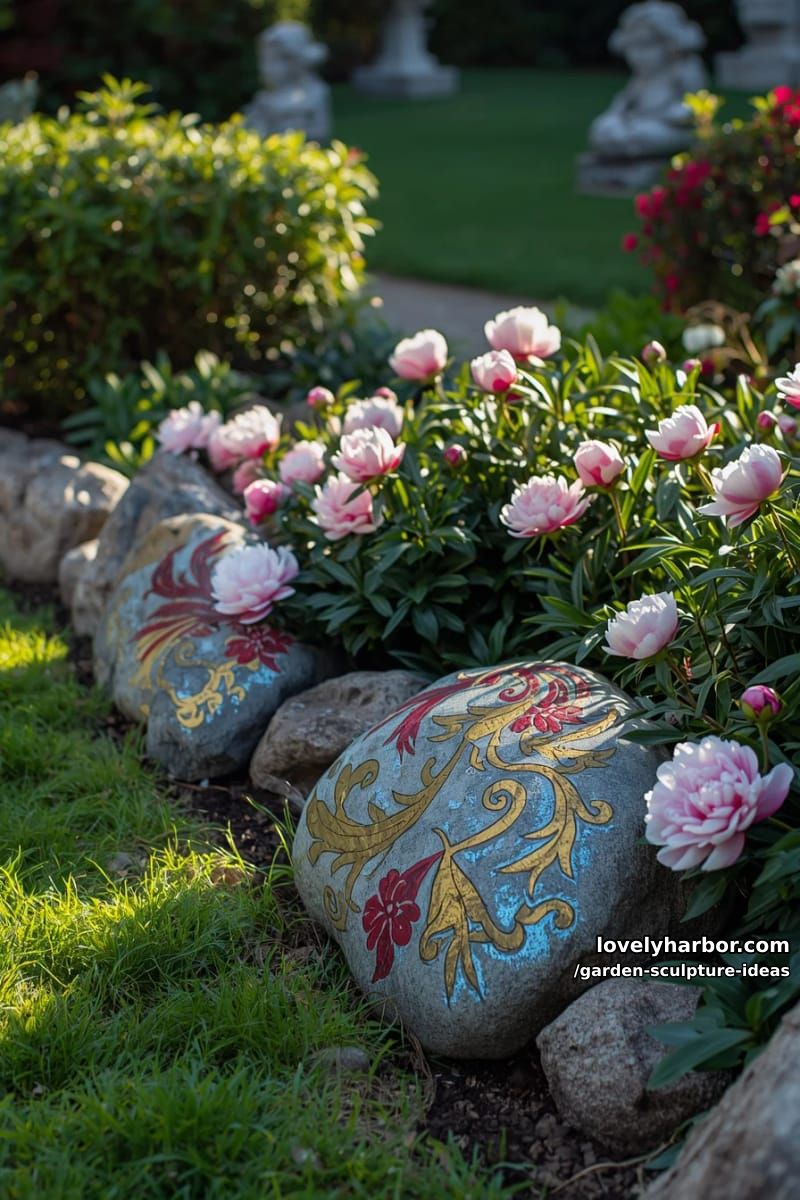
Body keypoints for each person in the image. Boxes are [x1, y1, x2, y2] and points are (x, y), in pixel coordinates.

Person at [589, 1, 706, 159]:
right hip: (638, 123)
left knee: (648, 135)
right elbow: (624, 103)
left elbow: (697, 106)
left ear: (670, 44)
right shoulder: (642, 78)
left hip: (667, 127)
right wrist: (614, 117)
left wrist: (681, 112)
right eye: (633, 46)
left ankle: (629, 145)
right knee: (602, 128)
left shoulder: (682, 71)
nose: (638, 55)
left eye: (647, 45)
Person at [243, 21, 330, 142]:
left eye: (274, 61)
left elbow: (320, 131)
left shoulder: (315, 94)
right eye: (264, 61)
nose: (266, 68)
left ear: (295, 61)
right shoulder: (264, 99)